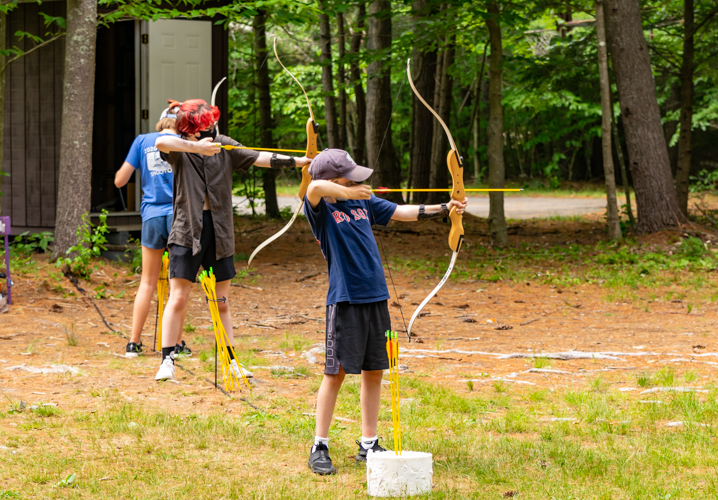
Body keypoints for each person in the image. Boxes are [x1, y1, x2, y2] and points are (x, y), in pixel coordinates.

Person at [302, 149, 468, 475]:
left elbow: (401, 212)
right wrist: (346, 192)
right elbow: (313, 189)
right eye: (349, 176)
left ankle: (368, 444)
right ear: (335, 179)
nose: (358, 180)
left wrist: (445, 208)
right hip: (345, 300)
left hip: (376, 297)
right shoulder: (320, 209)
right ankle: (319, 445)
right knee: (334, 374)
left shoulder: (362, 203)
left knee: (375, 370)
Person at [153, 98, 311, 381]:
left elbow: (258, 157)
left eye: (211, 123)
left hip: (220, 231)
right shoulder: (178, 148)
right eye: (205, 125)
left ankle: (231, 361)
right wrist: (195, 147)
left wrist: (297, 161)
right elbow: (162, 142)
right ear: (190, 130)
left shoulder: (223, 144)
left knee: (221, 301)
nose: (212, 128)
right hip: (187, 231)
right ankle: (167, 361)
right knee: (178, 298)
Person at [115, 104, 191, 359]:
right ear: (181, 124)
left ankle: (133, 343)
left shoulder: (142, 141)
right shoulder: (186, 142)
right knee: (178, 285)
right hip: (179, 218)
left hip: (151, 217)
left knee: (147, 282)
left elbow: (120, 181)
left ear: (160, 122)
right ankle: (176, 343)